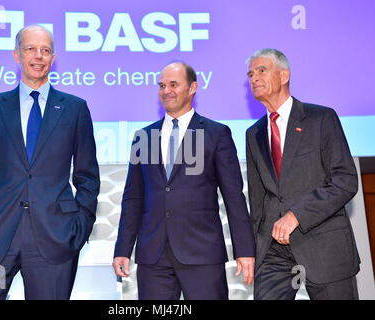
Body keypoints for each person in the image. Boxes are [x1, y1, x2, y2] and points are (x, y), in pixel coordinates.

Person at [0, 25, 100, 300]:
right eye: (30, 49)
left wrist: (78, 229)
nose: (38, 56)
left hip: (54, 238)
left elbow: (87, 177)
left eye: (45, 50)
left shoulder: (74, 108)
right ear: (16, 55)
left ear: (53, 58)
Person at [112, 62, 255, 300]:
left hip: (202, 256)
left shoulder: (216, 134)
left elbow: (234, 197)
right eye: (162, 85)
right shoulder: (143, 137)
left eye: (173, 84)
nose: (166, 91)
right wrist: (123, 249)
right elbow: (133, 198)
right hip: (153, 258)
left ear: (192, 88)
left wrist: (245, 250)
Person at [245, 48, 360, 300]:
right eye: (250, 74)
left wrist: (297, 215)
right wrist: (252, 251)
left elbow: (345, 180)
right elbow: (257, 201)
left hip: (324, 245)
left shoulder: (321, 118)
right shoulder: (253, 134)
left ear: (284, 75)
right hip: (273, 252)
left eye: (261, 70)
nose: (254, 78)